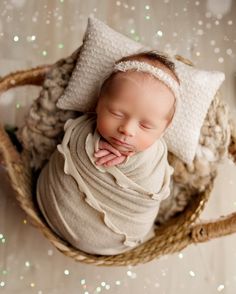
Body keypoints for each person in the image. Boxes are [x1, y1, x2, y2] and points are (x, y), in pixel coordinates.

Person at [36, 50, 181, 255]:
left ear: (164, 130)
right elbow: (69, 151)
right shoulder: (81, 130)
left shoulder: (155, 157)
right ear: (99, 103)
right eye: (116, 113)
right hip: (53, 205)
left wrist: (131, 160)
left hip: (114, 239)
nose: (127, 130)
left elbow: (149, 186)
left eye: (146, 126)